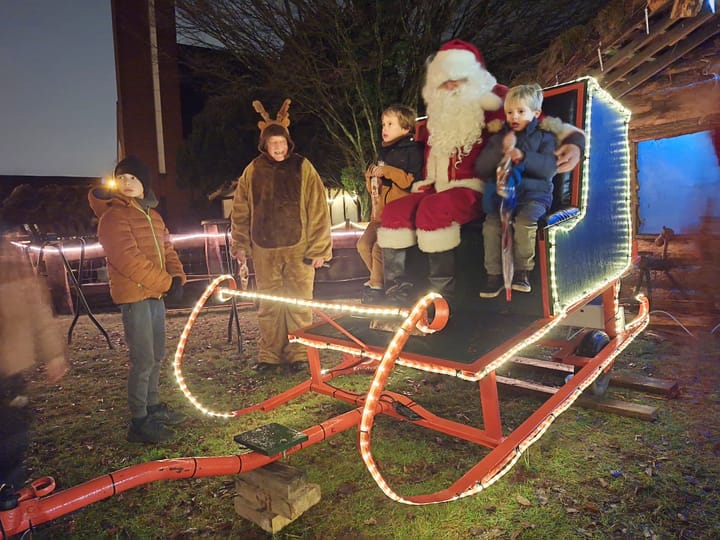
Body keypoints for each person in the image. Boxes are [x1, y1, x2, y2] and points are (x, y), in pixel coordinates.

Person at [377, 39, 584, 306]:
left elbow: (539, 121)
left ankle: (442, 297)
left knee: (433, 209)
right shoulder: (436, 114)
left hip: (474, 187)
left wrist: (573, 142)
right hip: (434, 187)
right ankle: (398, 289)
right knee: (394, 212)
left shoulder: (496, 98)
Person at [89, 155, 187, 444]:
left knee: (156, 355)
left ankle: (153, 407)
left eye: (132, 177)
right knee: (143, 358)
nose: (126, 183)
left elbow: (168, 250)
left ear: (144, 183)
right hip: (135, 296)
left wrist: (178, 277)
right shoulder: (113, 217)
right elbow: (127, 259)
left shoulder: (153, 216)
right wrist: (167, 283)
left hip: (155, 294)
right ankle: (139, 421)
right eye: (121, 178)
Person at [230, 99, 332, 373]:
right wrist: (240, 244)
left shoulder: (303, 167)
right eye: (273, 143)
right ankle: (270, 355)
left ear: (288, 143)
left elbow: (318, 208)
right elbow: (240, 209)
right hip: (264, 249)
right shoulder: (252, 171)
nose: (278, 147)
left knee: (299, 303)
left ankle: (299, 353)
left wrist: (319, 248)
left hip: (299, 249)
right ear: (265, 145)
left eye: (281, 142)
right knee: (269, 305)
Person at [0, 230, 68, 498]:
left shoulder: (11, 259)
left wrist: (54, 353)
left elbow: (38, 310)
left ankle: (11, 504)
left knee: (12, 440)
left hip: (10, 372)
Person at [474, 83, 558, 297]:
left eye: (521, 111)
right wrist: (499, 152)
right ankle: (493, 275)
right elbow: (481, 167)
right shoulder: (499, 138)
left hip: (534, 196)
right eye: (510, 112)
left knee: (524, 224)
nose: (515, 116)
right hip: (503, 196)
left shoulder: (545, 137)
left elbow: (549, 168)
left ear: (536, 113)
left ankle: (522, 271)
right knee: (490, 226)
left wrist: (523, 156)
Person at [356, 104, 424, 304]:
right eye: (383, 124)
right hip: (379, 213)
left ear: (406, 128)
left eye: (390, 124)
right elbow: (375, 189)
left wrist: (387, 172)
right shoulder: (383, 153)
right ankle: (381, 282)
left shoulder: (412, 151)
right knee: (362, 245)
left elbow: (409, 181)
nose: (384, 128)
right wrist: (371, 179)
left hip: (397, 214)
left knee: (379, 248)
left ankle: (376, 284)